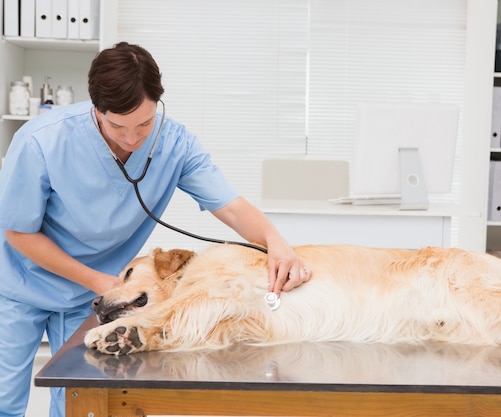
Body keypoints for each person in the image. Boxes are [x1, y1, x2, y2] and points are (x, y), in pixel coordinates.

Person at [0, 42, 311, 417]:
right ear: (95, 109)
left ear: (157, 105)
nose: (132, 139)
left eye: (144, 124)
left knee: (80, 405)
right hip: (23, 284)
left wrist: (275, 242)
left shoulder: (175, 144)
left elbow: (230, 206)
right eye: (117, 126)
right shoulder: (41, 140)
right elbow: (19, 233)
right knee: (4, 399)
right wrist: (95, 280)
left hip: (97, 295)